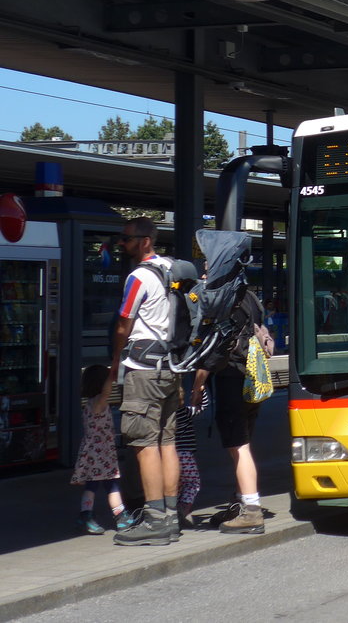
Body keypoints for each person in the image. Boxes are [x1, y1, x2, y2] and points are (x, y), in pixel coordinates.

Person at [192, 229, 273, 536]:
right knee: (243, 441)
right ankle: (239, 502)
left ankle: (251, 510)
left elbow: (215, 348)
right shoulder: (248, 295)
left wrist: (198, 384)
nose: (205, 266)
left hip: (231, 378)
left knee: (238, 446)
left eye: (209, 261)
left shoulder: (224, 298)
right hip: (249, 379)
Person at [110, 217, 182, 547]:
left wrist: (115, 361)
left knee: (144, 444)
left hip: (143, 368)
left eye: (127, 239)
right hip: (170, 367)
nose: (121, 244)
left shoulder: (139, 276)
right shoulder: (172, 269)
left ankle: (154, 520)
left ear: (146, 241)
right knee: (167, 442)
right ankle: (171, 517)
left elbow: (124, 323)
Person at [70, 365, 133, 535]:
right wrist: (112, 376)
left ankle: (85, 516)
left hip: (95, 453)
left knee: (92, 486)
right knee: (112, 485)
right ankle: (121, 516)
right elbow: (106, 393)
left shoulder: (90, 404)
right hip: (101, 454)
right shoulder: (99, 403)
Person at [174, 382, 209, 527]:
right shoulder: (186, 411)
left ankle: (173, 508)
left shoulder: (165, 417)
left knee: (177, 483)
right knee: (192, 483)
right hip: (186, 455)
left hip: (171, 455)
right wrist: (202, 391)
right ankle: (184, 507)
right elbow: (203, 406)